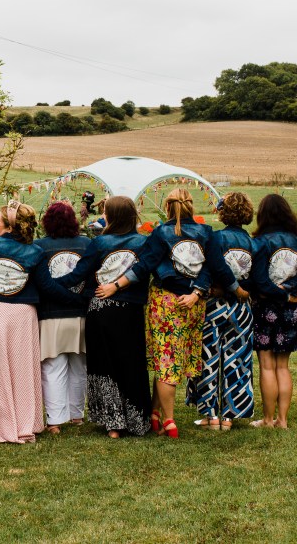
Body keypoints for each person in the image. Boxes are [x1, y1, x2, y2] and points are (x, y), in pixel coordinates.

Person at [0, 200, 81, 445]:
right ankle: (22, 420)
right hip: (21, 315)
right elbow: (48, 287)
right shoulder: (35, 252)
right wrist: (78, 300)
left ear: (8, 226)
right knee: (20, 371)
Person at [116, 188, 212, 439]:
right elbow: (211, 267)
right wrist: (197, 292)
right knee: (169, 360)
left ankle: (169, 421)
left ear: (168, 207)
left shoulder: (161, 233)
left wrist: (116, 285)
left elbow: (143, 266)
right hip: (194, 303)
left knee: (166, 361)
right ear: (191, 205)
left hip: (167, 303)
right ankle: (155, 413)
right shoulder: (206, 232)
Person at [60, 196, 152, 438]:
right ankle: (137, 420)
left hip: (101, 308)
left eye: (105, 212)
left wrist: (50, 284)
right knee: (131, 361)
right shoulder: (144, 243)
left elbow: (78, 274)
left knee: (105, 363)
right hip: (131, 309)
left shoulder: (100, 242)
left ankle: (113, 423)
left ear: (111, 216)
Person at [185, 192, 256, 430]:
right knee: (237, 359)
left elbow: (208, 268)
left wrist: (206, 290)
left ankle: (210, 414)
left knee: (209, 357)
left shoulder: (215, 238)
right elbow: (257, 279)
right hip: (241, 308)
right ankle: (229, 415)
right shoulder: (254, 243)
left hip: (214, 305)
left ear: (223, 212)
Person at [249, 193, 297, 429]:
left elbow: (259, 281)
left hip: (266, 307)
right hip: (292, 307)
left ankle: (268, 418)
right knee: (283, 366)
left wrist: (278, 292)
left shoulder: (260, 241)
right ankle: (282, 420)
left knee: (266, 365)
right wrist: (290, 289)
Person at [33, 201, 91, 435]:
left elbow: (42, 284)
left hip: (51, 315)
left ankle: (55, 420)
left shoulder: (39, 247)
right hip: (80, 314)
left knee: (53, 368)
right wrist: (78, 300)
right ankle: (77, 415)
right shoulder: (87, 244)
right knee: (79, 366)